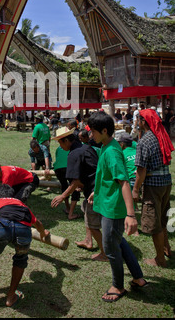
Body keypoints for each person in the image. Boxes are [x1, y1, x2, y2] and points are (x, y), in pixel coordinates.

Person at [87, 111, 147, 302]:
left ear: (104, 131)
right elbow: (109, 177)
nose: (90, 136)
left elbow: (123, 182)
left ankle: (118, 286)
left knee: (110, 248)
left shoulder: (112, 151)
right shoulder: (106, 145)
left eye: (93, 132)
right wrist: (97, 191)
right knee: (117, 240)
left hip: (113, 209)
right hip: (108, 203)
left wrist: (131, 214)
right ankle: (138, 277)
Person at [51, 125, 107, 261]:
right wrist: (82, 184)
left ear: (66, 141)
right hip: (99, 187)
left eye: (60, 142)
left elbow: (74, 181)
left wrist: (63, 196)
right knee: (86, 212)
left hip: (94, 191)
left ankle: (105, 254)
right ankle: (88, 241)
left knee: (94, 225)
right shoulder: (87, 147)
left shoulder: (73, 154)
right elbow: (90, 170)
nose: (60, 145)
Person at [133, 109, 174, 267]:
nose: (137, 122)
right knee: (163, 217)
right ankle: (166, 249)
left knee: (155, 222)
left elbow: (141, 170)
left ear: (144, 121)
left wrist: (136, 189)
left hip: (153, 184)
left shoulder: (145, 140)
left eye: (139, 119)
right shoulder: (162, 135)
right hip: (166, 182)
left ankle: (160, 259)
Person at [51, 126, 82, 220]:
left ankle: (68, 208)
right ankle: (71, 213)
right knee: (75, 188)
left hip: (58, 169)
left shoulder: (59, 149)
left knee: (64, 186)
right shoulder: (77, 148)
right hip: (68, 167)